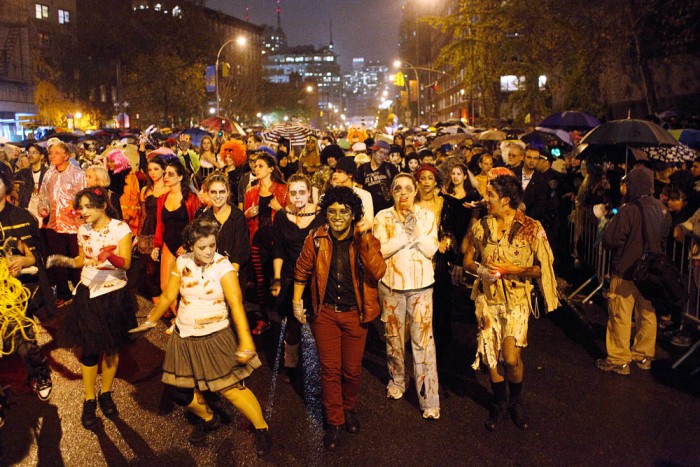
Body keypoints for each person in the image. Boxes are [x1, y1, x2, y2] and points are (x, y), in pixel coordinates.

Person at [130, 219, 272, 455]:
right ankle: (209, 418)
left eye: (212, 246)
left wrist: (246, 340)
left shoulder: (223, 267)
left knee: (230, 389)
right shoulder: (182, 261)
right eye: (202, 247)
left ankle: (262, 427)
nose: (208, 252)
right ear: (190, 246)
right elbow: (168, 296)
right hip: (184, 336)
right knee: (179, 390)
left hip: (214, 335)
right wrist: (150, 320)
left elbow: (236, 304)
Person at [463, 173, 559, 431]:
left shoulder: (532, 227)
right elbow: (468, 260)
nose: (486, 199)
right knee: (491, 357)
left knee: (511, 359)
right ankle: (499, 404)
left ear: (506, 200)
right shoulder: (481, 225)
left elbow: (542, 269)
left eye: (491, 196)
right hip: (488, 301)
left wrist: (510, 269)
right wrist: (482, 271)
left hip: (516, 302)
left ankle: (516, 399)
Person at [292, 186, 386, 450]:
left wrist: (365, 235)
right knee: (330, 370)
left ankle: (349, 408)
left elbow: (378, 271)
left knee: (352, 371)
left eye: (343, 211)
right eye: (332, 211)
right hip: (326, 315)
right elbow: (302, 269)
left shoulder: (364, 238)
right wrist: (296, 302)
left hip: (356, 315)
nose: (337, 216)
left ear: (353, 213)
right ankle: (334, 421)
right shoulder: (317, 238)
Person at [47, 186, 136, 428]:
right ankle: (89, 398)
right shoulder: (83, 229)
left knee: (112, 347)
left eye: (88, 207)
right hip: (87, 292)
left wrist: (110, 257)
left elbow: (126, 263)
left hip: (113, 294)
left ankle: (105, 392)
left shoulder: (120, 229)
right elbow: (80, 259)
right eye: (81, 207)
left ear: (103, 206)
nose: (83, 212)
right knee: (88, 350)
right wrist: (63, 260)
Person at [373, 173, 441, 420]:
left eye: (408, 188)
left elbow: (432, 248)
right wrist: (404, 236)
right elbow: (380, 250)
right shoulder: (383, 217)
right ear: (392, 192)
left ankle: (429, 398)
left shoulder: (426, 215)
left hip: (422, 287)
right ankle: (398, 380)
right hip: (391, 287)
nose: (403, 193)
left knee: (423, 342)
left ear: (415, 191)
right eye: (398, 189)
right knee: (394, 339)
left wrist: (416, 232)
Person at [597, 166, 672, 375]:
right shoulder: (662, 209)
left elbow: (611, 240)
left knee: (620, 315)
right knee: (647, 314)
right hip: (651, 272)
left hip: (627, 270)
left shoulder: (629, 209)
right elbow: (664, 238)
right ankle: (644, 356)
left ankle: (619, 359)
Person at [0, 164, 53, 400]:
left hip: (16, 293)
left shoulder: (20, 217)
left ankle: (41, 373)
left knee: (24, 342)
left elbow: (34, 257)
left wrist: (22, 261)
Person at [270, 174, 323, 382]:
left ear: (309, 193)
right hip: (290, 276)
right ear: (288, 194)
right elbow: (279, 250)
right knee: (292, 323)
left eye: (302, 192)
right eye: (293, 193)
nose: (298, 196)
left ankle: (318, 366)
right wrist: (276, 278)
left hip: (316, 277)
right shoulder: (282, 216)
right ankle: (290, 363)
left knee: (318, 323)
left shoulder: (321, 214)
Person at [152, 159, 201, 321]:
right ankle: (180, 319)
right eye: (165, 173)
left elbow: (197, 225)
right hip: (168, 244)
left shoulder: (191, 199)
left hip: (186, 247)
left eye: (170, 174)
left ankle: (185, 320)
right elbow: (160, 224)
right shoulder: (162, 198)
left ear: (180, 177)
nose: (166, 177)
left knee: (186, 287)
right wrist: (157, 246)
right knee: (165, 286)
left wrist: (188, 245)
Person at [243, 153, 287, 334]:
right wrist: (247, 214)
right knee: (260, 282)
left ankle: (280, 319)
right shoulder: (251, 192)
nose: (256, 168)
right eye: (255, 165)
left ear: (270, 169)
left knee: (278, 281)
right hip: (258, 241)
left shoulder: (283, 190)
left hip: (278, 242)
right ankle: (263, 318)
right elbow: (244, 219)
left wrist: (281, 209)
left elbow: (294, 216)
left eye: (260, 165)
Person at [38, 141, 85, 306]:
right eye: (51, 153)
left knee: (77, 261)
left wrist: (75, 210)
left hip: (74, 225)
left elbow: (82, 198)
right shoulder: (49, 174)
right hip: (54, 224)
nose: (52, 156)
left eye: (57, 153)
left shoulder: (78, 174)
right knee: (57, 261)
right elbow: (43, 195)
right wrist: (43, 209)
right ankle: (63, 293)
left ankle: (81, 292)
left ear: (66, 155)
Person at [196, 172, 250, 290]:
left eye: (222, 192)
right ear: (209, 194)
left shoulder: (238, 216)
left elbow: (240, 249)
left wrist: (232, 272)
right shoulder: (204, 217)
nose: (218, 196)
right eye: (213, 192)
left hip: (233, 273)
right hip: (210, 273)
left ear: (228, 193)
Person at [137, 156, 170, 301]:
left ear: (164, 170)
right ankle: (156, 299)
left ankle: (166, 300)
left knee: (164, 267)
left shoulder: (170, 189)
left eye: (156, 169)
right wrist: (138, 236)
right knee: (149, 268)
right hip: (148, 229)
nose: (152, 173)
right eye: (149, 170)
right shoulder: (145, 190)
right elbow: (142, 215)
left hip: (164, 229)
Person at [356, 140, 399, 214]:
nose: (382, 156)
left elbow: (398, 187)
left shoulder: (390, 168)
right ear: (373, 151)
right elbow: (359, 190)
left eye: (385, 154)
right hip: (369, 210)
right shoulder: (363, 169)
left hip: (388, 210)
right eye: (380, 152)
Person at [330, 156, 374, 223]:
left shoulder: (364, 195)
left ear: (350, 174)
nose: (335, 174)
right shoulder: (328, 196)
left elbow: (369, 221)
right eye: (335, 171)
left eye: (339, 172)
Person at [15, 143, 48, 220]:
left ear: (42, 156)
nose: (30, 155)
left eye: (34, 152)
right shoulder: (23, 173)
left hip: (43, 214)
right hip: (27, 212)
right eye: (29, 152)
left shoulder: (48, 173)